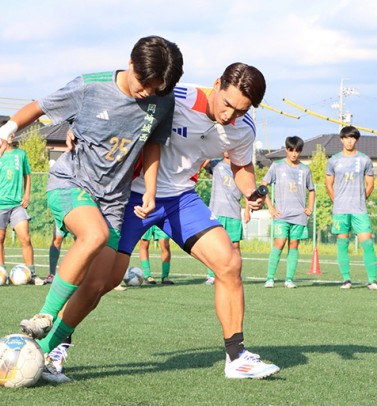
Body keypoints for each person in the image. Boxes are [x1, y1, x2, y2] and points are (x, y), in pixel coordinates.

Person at [40, 63, 280, 380]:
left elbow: (241, 165)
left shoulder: (243, 128)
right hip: (130, 196)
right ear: (217, 84)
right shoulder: (175, 97)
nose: (228, 116)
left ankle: (237, 358)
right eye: (227, 104)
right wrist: (78, 127)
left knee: (229, 262)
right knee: (101, 282)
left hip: (181, 199)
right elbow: (123, 93)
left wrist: (250, 190)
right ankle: (52, 346)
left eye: (240, 110)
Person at [0, 36, 184, 380]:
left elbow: (152, 146)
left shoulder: (162, 100)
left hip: (114, 199)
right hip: (71, 183)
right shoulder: (90, 86)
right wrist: (2, 132)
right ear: (131, 65)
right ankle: (44, 316)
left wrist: (149, 192)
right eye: (143, 84)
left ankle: (42, 356)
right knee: (94, 235)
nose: (148, 93)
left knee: (100, 284)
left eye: (157, 88)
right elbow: (39, 107)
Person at [0, 120, 42, 285]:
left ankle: (32, 273)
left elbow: (27, 175)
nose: (10, 135)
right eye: (6, 132)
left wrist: (27, 195)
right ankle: (1, 273)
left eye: (12, 132)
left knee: (26, 238)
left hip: (17, 205)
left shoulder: (20, 154)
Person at [325, 126, 377, 290]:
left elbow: (370, 185)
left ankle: (373, 280)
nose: (349, 140)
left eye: (352, 138)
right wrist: (338, 202)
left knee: (367, 243)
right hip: (340, 211)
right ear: (341, 139)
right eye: (346, 138)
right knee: (342, 244)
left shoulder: (364, 160)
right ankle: (346, 279)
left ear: (357, 140)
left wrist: (361, 199)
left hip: (359, 210)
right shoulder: (333, 160)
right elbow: (328, 185)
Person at [261, 136, 315, 289]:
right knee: (279, 243)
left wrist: (309, 207)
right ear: (286, 149)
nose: (294, 154)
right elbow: (263, 186)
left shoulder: (305, 169)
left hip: (299, 215)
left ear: (300, 151)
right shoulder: (276, 166)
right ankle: (270, 278)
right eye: (291, 150)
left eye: (297, 151)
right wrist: (270, 207)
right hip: (281, 214)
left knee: (294, 244)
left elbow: (311, 190)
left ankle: (289, 279)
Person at [203, 152, 250, 285]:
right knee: (213, 245)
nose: (227, 151)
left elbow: (247, 189)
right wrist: (214, 149)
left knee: (235, 245)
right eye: (225, 148)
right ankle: (212, 275)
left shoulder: (240, 168)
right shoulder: (216, 164)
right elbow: (204, 164)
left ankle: (236, 274)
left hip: (234, 212)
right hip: (216, 211)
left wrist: (247, 210)